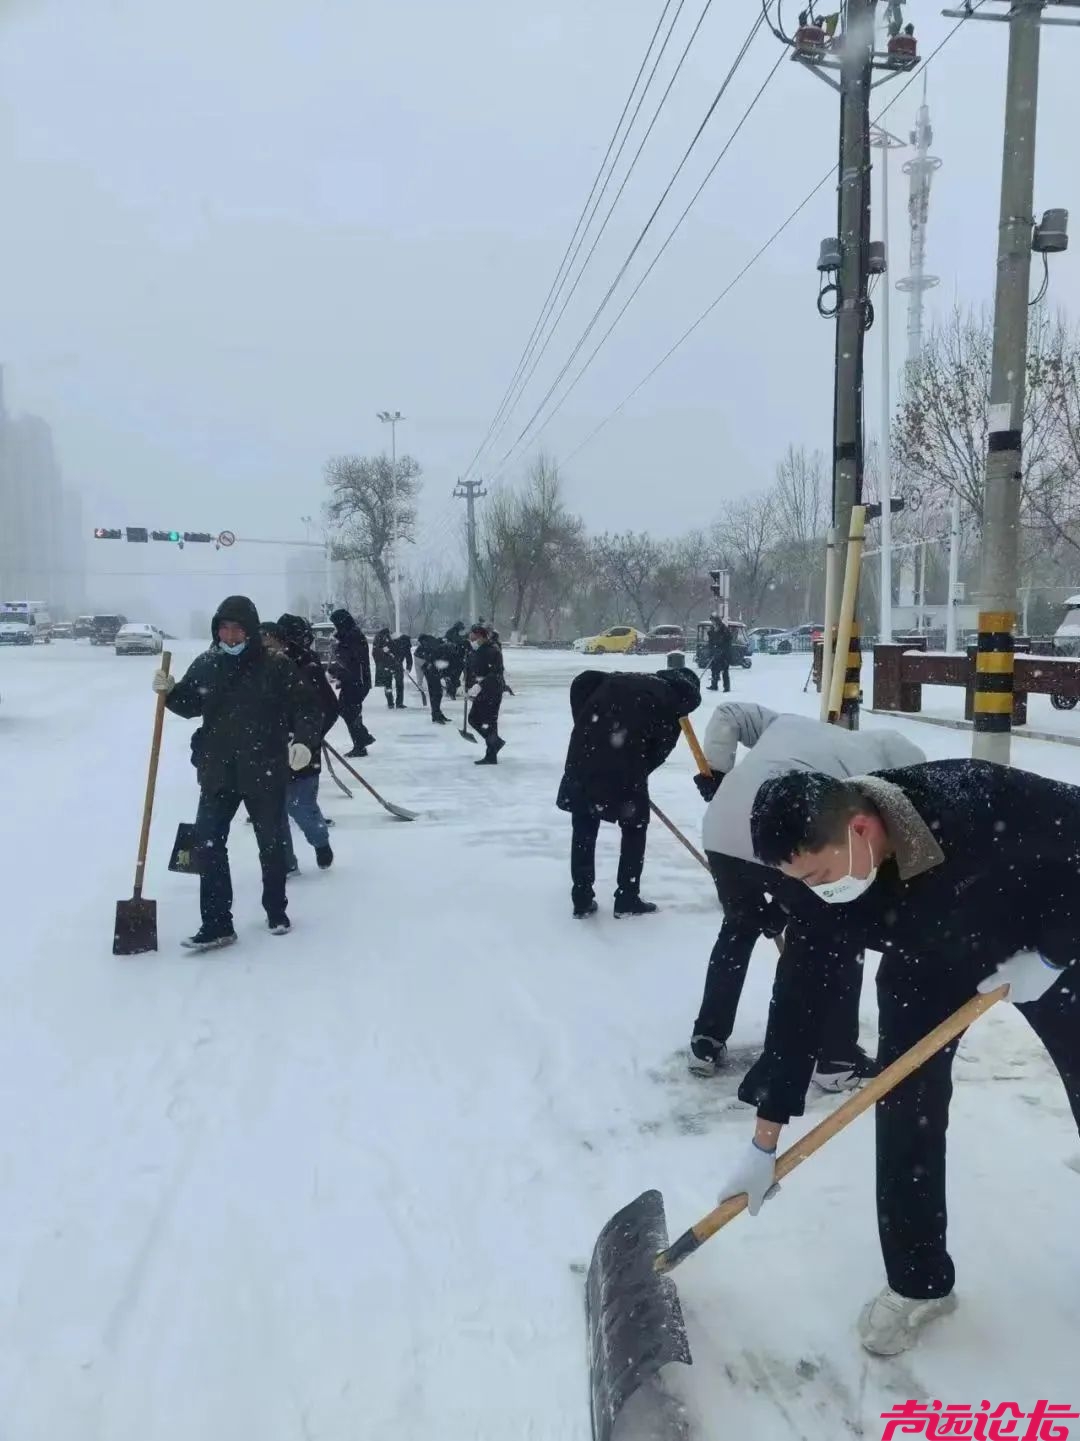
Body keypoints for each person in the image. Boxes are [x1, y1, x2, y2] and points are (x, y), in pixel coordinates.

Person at [721, 758, 1080, 1357]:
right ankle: (920, 1285)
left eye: (819, 873)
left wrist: (1052, 952)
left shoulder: (974, 799)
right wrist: (765, 1138)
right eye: (799, 879)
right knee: (904, 1105)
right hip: (926, 963)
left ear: (861, 828)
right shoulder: (812, 878)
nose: (813, 888)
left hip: (1036, 938)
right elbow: (800, 999)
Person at [689, 702, 923, 1087]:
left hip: (721, 830)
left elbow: (728, 713)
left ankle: (707, 1039)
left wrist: (718, 771)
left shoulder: (787, 720)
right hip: (794, 842)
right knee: (833, 944)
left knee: (738, 929)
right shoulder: (874, 772)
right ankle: (835, 1059)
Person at [153, 595, 321, 949]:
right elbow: (189, 704)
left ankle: (276, 910)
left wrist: (304, 741)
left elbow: (307, 707)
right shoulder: (208, 663)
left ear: (250, 630)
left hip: (265, 769)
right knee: (207, 843)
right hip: (218, 771)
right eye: (224, 628)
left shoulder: (276, 665)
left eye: (237, 628)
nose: (230, 636)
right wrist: (168, 693)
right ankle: (217, 923)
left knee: (271, 844)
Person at [556, 664, 701, 918]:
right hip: (624, 766)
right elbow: (658, 752)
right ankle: (627, 896)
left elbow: (583, 684)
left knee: (584, 826)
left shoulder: (626, 678)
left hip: (583, 755)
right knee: (634, 828)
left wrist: (593, 739)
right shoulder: (672, 704)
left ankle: (581, 896)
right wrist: (633, 774)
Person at [277, 613, 338, 871]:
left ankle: (320, 842)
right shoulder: (258, 669)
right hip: (268, 751)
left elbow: (329, 707)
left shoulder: (307, 666)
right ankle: (284, 861)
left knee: (301, 806)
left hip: (303, 750)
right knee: (274, 813)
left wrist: (311, 737)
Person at [329, 609, 374, 757]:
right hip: (353, 680)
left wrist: (335, 669)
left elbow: (348, 659)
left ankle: (360, 744)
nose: (335, 627)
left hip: (357, 681)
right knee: (347, 710)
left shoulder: (353, 637)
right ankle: (362, 739)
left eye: (335, 624)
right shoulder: (350, 635)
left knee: (349, 711)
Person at [465, 623, 506, 765]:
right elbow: (471, 670)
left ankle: (492, 752)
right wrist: (469, 686)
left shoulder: (492, 651)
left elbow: (496, 672)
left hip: (492, 690)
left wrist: (479, 685)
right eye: (471, 639)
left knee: (489, 722)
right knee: (475, 719)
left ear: (482, 637)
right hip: (482, 690)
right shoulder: (477, 650)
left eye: (474, 638)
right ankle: (494, 744)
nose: (472, 641)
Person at [414, 632, 451, 724]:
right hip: (428, 668)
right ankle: (436, 714)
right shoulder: (435, 646)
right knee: (436, 692)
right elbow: (431, 658)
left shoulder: (435, 645)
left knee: (437, 692)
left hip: (430, 667)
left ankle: (437, 713)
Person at [705, 615, 732, 692]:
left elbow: (728, 641)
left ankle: (726, 687)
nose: (712, 622)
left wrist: (722, 649)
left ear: (717, 621)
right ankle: (714, 685)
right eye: (711, 621)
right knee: (714, 670)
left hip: (724, 654)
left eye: (713, 621)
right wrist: (711, 650)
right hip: (715, 654)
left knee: (725, 671)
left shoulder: (724, 629)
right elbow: (711, 641)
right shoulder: (712, 629)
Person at [442, 620, 467, 701]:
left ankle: (450, 691)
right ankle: (451, 692)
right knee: (453, 676)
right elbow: (457, 640)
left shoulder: (452, 632)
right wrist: (464, 638)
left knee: (452, 676)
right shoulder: (452, 633)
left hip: (451, 658)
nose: (461, 631)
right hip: (453, 658)